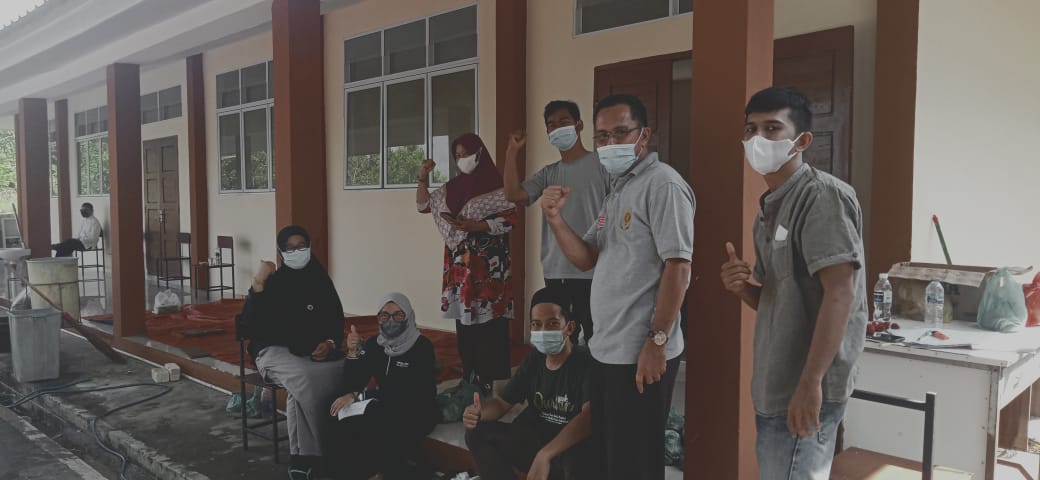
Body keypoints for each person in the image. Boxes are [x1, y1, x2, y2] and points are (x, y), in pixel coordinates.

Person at [539, 94, 695, 480]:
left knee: (635, 463)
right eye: (603, 136)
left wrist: (657, 341)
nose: (610, 143)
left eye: (621, 133)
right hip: (607, 348)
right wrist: (555, 219)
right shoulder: (618, 189)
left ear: (644, 135)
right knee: (611, 455)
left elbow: (678, 266)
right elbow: (587, 256)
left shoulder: (663, 184)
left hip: (640, 351)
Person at [719, 86, 867, 480]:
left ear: (801, 141)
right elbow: (779, 298)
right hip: (776, 379)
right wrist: (742, 288)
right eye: (751, 129)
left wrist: (811, 382)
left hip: (805, 384)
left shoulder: (821, 197)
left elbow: (841, 292)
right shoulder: (769, 209)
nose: (758, 139)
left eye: (772, 128)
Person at [241, 225, 346, 480]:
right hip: (272, 350)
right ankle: (325, 452)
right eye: (289, 248)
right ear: (280, 252)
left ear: (309, 247)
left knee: (338, 369)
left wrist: (330, 343)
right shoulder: (273, 283)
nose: (296, 251)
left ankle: (303, 456)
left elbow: (335, 319)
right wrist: (258, 283)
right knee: (306, 377)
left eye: (301, 246)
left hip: (310, 352)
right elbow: (248, 324)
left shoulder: (320, 280)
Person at [416, 133, 517, 393]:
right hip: (461, 268)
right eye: (458, 156)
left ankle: (491, 381)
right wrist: (422, 178)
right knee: (466, 325)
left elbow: (510, 219)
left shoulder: (497, 184)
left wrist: (478, 225)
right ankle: (470, 378)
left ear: (479, 153)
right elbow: (423, 205)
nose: (462, 159)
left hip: (490, 268)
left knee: (491, 326)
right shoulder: (452, 187)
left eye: (466, 154)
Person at [502, 101, 609, 344]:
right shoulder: (549, 173)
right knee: (561, 342)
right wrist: (512, 151)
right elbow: (513, 194)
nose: (558, 128)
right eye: (551, 125)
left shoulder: (602, 165)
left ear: (579, 125)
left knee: (597, 342)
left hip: (595, 270)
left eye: (564, 122)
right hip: (556, 270)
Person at [464, 287, 595, 480]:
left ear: (570, 327)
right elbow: (501, 404)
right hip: (536, 442)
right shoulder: (534, 360)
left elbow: (589, 417)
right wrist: (478, 413)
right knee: (476, 433)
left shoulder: (587, 363)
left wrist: (546, 454)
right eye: (536, 324)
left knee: (575, 462)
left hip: (568, 448)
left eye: (552, 324)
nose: (543, 331)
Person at [327, 293, 440, 480]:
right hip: (383, 403)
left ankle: (380, 473)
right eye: (384, 315)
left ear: (408, 316)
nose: (391, 321)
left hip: (418, 409)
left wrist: (362, 396)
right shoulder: (375, 344)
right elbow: (354, 383)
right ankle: (345, 473)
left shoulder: (422, 346)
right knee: (336, 408)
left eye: (398, 315)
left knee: (377, 416)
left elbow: (412, 391)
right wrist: (353, 352)